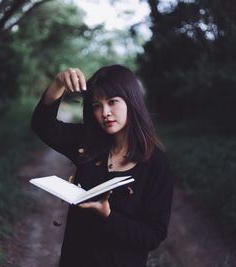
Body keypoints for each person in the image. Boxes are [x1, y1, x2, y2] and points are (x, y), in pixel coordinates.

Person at [31, 64, 174, 267]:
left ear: (131, 101)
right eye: (96, 105)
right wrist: (58, 83)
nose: (105, 112)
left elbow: (153, 235)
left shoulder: (156, 163)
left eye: (112, 102)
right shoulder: (87, 143)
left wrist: (107, 215)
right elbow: (42, 126)